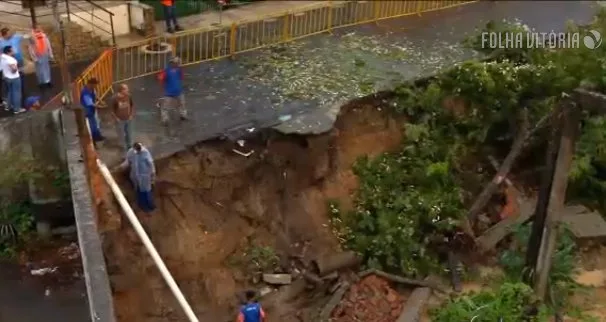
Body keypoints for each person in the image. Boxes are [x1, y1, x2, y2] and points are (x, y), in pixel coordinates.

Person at [119, 142, 156, 213]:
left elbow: (151, 163)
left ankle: (150, 205)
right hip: (135, 176)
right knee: (139, 191)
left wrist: (153, 173)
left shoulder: (145, 152)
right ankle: (143, 206)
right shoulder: (131, 152)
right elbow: (128, 161)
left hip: (145, 176)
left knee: (147, 191)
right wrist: (121, 167)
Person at [157, 56, 188, 125]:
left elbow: (181, 77)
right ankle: (166, 120)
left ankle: (182, 116)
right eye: (176, 62)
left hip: (174, 92)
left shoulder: (177, 70)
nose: (178, 64)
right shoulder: (168, 71)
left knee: (181, 105)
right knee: (178, 105)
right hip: (172, 92)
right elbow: (160, 78)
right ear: (172, 63)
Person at [1, 28, 26, 106]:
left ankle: (21, 92)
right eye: (9, 33)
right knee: (11, 79)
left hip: (19, 60)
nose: (11, 34)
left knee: (21, 77)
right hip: (9, 63)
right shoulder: (1, 42)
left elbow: (26, 36)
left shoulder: (16, 37)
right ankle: (12, 100)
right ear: (4, 34)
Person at [29, 24, 54, 92]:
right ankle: (41, 83)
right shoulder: (32, 37)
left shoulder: (44, 36)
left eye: (40, 27)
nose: (39, 29)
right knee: (39, 70)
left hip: (44, 54)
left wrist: (50, 54)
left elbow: (48, 44)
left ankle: (48, 81)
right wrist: (34, 57)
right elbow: (31, 48)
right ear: (35, 29)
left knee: (46, 68)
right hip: (37, 55)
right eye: (38, 28)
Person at [1, 45, 25, 114]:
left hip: (7, 77)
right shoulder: (10, 59)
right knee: (17, 93)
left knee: (10, 92)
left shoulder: (3, 57)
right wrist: (18, 69)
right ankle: (17, 109)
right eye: (12, 50)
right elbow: (13, 69)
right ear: (9, 52)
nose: (14, 51)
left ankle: (8, 106)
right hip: (14, 78)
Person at [111, 83, 135, 152]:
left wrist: (131, 115)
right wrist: (116, 118)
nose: (128, 90)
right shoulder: (115, 98)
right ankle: (123, 148)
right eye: (126, 89)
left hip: (128, 119)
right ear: (121, 90)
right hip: (120, 120)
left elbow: (132, 105)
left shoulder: (129, 96)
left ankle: (130, 147)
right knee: (121, 134)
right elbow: (112, 110)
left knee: (129, 133)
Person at [80, 77, 105, 142]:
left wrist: (101, 101)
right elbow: (89, 103)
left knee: (96, 123)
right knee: (92, 125)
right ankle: (93, 139)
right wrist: (100, 106)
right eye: (95, 85)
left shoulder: (92, 89)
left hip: (93, 110)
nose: (96, 86)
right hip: (88, 111)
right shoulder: (85, 92)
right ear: (91, 84)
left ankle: (98, 136)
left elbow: (96, 95)